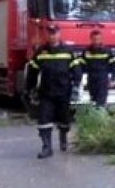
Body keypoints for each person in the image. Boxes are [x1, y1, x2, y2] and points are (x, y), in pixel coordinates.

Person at [25, 25, 83, 158]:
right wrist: (30, 89)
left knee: (65, 118)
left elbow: (76, 70)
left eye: (54, 33)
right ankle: (47, 147)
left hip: (64, 91)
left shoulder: (68, 51)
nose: (52, 36)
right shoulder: (41, 52)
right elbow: (32, 72)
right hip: (46, 92)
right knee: (44, 119)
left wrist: (76, 86)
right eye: (50, 33)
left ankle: (63, 138)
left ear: (59, 34)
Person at [76, 29, 115, 107]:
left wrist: (113, 79)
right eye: (94, 39)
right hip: (91, 81)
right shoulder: (86, 51)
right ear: (91, 39)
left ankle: (101, 117)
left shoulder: (107, 51)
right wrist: (77, 80)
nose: (96, 41)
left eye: (98, 39)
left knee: (100, 104)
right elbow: (80, 67)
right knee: (93, 103)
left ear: (101, 39)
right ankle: (95, 118)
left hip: (102, 81)